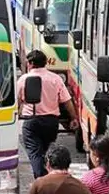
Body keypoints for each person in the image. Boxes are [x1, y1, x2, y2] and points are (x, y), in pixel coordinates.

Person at [18, 50, 76, 179]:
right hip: (51, 122)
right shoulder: (55, 79)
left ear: (31, 63)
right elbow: (67, 101)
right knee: (46, 151)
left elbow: (17, 101)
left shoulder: (24, 79)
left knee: (35, 153)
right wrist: (73, 118)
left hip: (31, 122)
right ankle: (48, 177)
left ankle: (41, 179)